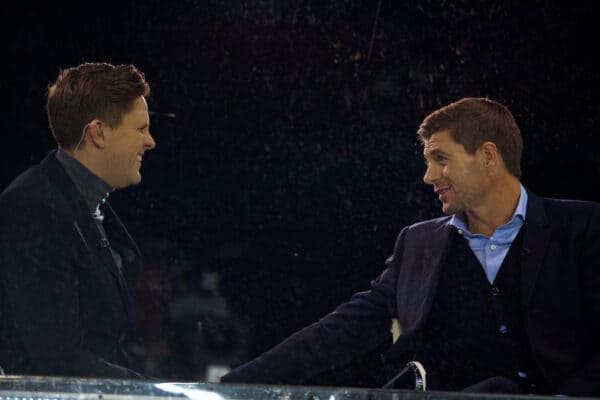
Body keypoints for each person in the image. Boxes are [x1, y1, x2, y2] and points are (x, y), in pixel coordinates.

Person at [221, 98, 600, 396]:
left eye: (441, 159)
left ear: (487, 156)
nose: (428, 176)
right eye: (427, 161)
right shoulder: (418, 243)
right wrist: (233, 388)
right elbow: (340, 331)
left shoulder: (584, 229)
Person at [0, 62, 156, 378]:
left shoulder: (79, 203)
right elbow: (56, 359)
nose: (150, 141)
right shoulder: (34, 207)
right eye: (140, 129)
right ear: (98, 132)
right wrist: (154, 393)